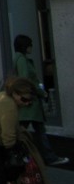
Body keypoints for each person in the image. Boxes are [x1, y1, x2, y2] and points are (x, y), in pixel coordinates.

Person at [13, 34, 68, 167]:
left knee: (24, 131)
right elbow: (26, 79)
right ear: (25, 46)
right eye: (30, 44)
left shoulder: (19, 59)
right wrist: (40, 92)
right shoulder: (22, 60)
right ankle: (48, 157)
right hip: (30, 102)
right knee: (36, 132)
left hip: (28, 101)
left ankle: (18, 155)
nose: (31, 47)